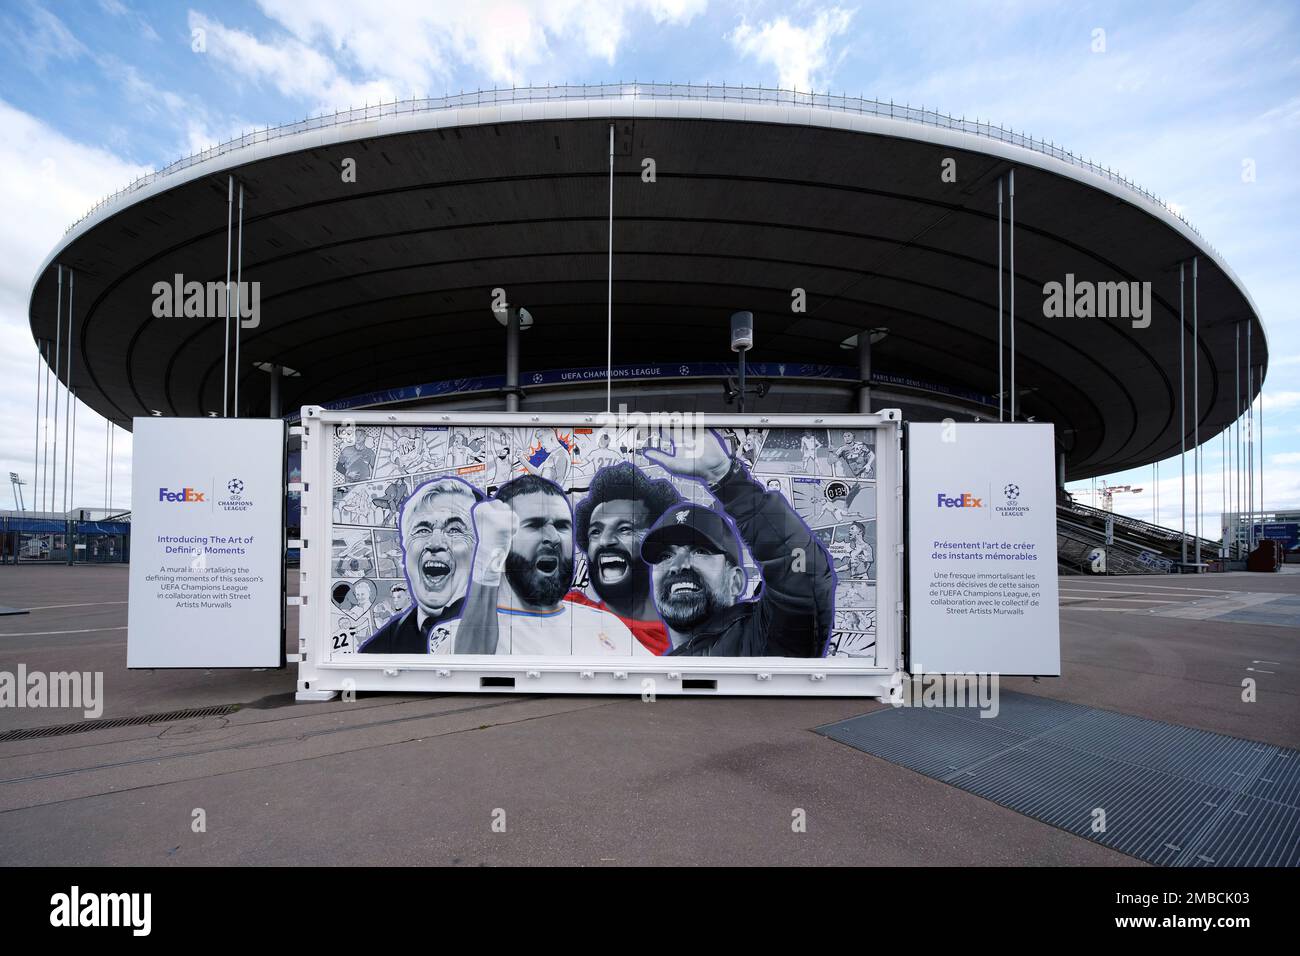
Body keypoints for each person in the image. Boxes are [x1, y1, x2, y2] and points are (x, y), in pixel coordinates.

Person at [639, 429, 833, 656]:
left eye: (700, 551)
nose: (678, 565)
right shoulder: (655, 673)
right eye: (665, 556)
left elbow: (802, 576)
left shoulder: (765, 639)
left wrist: (726, 478)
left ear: (736, 581)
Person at [455, 474, 644, 655]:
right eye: (535, 525)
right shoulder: (464, 634)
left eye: (562, 526)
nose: (553, 538)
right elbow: (467, 668)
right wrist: (489, 552)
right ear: (503, 540)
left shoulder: (605, 625)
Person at [359, 477, 483, 654]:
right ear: (405, 548)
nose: (435, 543)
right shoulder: (378, 649)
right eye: (422, 530)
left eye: (454, 530)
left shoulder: (504, 636)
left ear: (481, 549)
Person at [568, 462, 681, 654]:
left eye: (625, 529)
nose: (604, 541)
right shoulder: (569, 611)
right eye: (595, 532)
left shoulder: (689, 638)